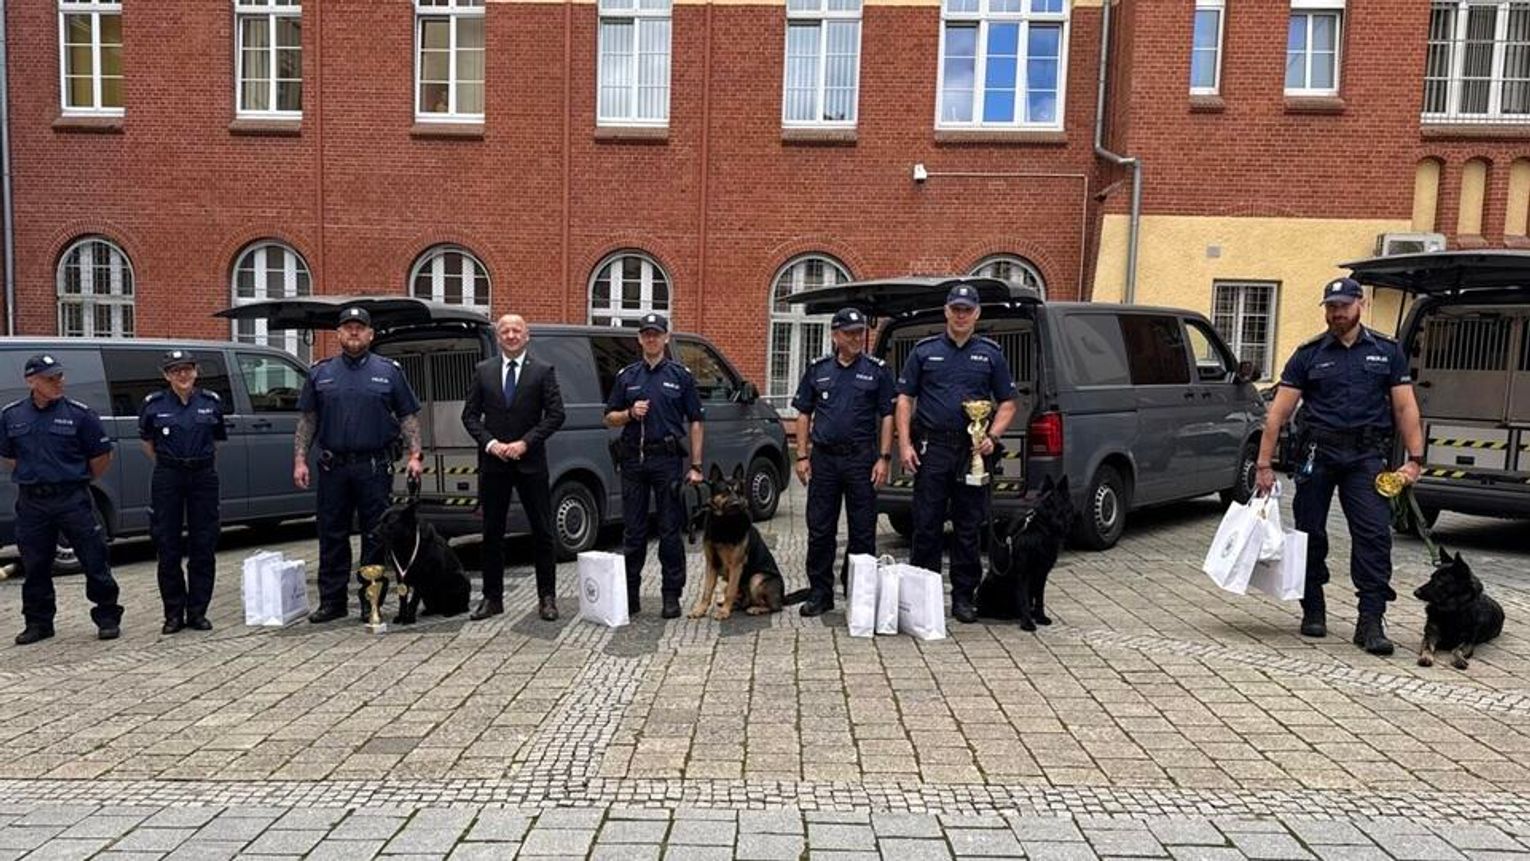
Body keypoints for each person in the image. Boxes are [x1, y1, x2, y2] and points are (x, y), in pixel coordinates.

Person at [1256, 276, 1425, 655]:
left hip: (1366, 457)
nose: (1337, 314)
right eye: (1331, 307)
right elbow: (1278, 413)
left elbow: (1405, 407)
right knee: (1310, 532)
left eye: (1344, 306)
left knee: (1374, 535)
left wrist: (1415, 460)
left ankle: (1371, 620)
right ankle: (1313, 607)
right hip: (1318, 454)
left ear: (1361, 304)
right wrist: (1264, 464)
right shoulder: (1308, 354)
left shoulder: (1387, 351)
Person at [896, 284, 1018, 624]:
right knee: (926, 525)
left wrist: (992, 436)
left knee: (968, 527)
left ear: (977, 314)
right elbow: (904, 398)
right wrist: (904, 444)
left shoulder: (990, 354)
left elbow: (1008, 403)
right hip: (932, 449)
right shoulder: (924, 351)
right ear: (946, 312)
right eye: (956, 309)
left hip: (971, 453)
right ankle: (925, 597)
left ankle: (964, 598)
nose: (961, 315)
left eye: (967, 310)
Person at [294, 306, 425, 623]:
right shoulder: (320, 372)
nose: (354, 332)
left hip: (373, 466)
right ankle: (332, 601)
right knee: (331, 533)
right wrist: (299, 459)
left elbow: (407, 416)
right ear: (338, 334)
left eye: (360, 327)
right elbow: (308, 420)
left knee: (375, 534)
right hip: (333, 467)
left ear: (370, 334)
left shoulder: (389, 371)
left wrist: (415, 455)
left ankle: (371, 602)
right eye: (348, 327)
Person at [0, 354, 122, 645]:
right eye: (49, 378)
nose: (58, 382)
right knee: (35, 564)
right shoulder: (12, 415)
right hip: (33, 501)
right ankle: (38, 623)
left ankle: (107, 617)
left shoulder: (80, 415)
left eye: (59, 377)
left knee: (94, 559)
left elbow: (101, 457)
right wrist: (37, 475)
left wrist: (72, 479)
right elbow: (9, 456)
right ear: (31, 381)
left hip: (72, 498)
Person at [461, 314, 567, 621]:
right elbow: (469, 416)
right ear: (497, 337)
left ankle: (547, 598)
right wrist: (491, 443)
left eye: (516, 330)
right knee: (492, 532)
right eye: (505, 331)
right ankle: (492, 598)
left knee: (542, 531)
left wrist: (526, 443)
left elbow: (556, 415)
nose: (510, 335)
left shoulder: (543, 371)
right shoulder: (483, 371)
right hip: (494, 463)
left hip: (530, 462)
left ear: (526, 335)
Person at [791, 307, 895, 616]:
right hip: (824, 459)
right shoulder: (818, 369)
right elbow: (803, 413)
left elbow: (887, 416)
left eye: (860, 333)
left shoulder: (876, 371)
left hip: (861, 458)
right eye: (849, 334)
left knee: (862, 530)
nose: (856, 338)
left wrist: (884, 458)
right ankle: (820, 593)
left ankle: (859, 592)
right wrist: (801, 455)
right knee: (820, 529)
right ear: (835, 335)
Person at [603, 312, 705, 619]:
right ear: (639, 339)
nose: (651, 339)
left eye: (656, 334)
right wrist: (629, 413)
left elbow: (696, 421)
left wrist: (696, 465)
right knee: (633, 533)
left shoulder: (680, 376)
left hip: (667, 460)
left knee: (669, 531)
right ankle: (630, 595)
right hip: (634, 459)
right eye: (646, 334)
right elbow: (609, 418)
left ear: (666, 338)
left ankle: (671, 595)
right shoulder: (627, 376)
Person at [139, 349, 226, 634]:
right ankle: (173, 614)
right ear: (167, 376)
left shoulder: (211, 402)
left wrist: (197, 463)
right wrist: (173, 464)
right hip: (168, 475)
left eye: (187, 369)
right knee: (167, 545)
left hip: (202, 475)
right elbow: (148, 444)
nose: (183, 375)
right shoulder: (153, 405)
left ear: (196, 371)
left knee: (204, 544)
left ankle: (198, 612)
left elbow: (215, 442)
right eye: (176, 370)